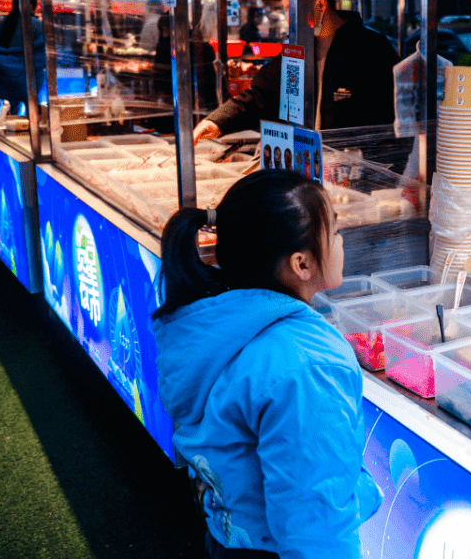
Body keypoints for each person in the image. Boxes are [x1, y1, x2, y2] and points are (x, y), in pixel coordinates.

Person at [152, 171, 383, 558]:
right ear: (301, 264)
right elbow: (315, 526)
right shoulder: (307, 366)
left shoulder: (213, 322)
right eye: (335, 231)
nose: (342, 241)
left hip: (229, 537)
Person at [194, 0, 398, 142]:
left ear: (320, 6)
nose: (289, 18)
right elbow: (261, 96)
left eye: (292, 10)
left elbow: (395, 116)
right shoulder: (299, 49)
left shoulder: (372, 49)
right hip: (307, 161)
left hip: (354, 171)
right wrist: (217, 121)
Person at [0, 0, 46, 112]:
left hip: (4, 76)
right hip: (28, 77)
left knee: (11, 111)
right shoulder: (36, 24)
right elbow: (41, 51)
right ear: (32, 7)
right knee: (33, 110)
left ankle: (11, 129)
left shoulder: (5, 23)